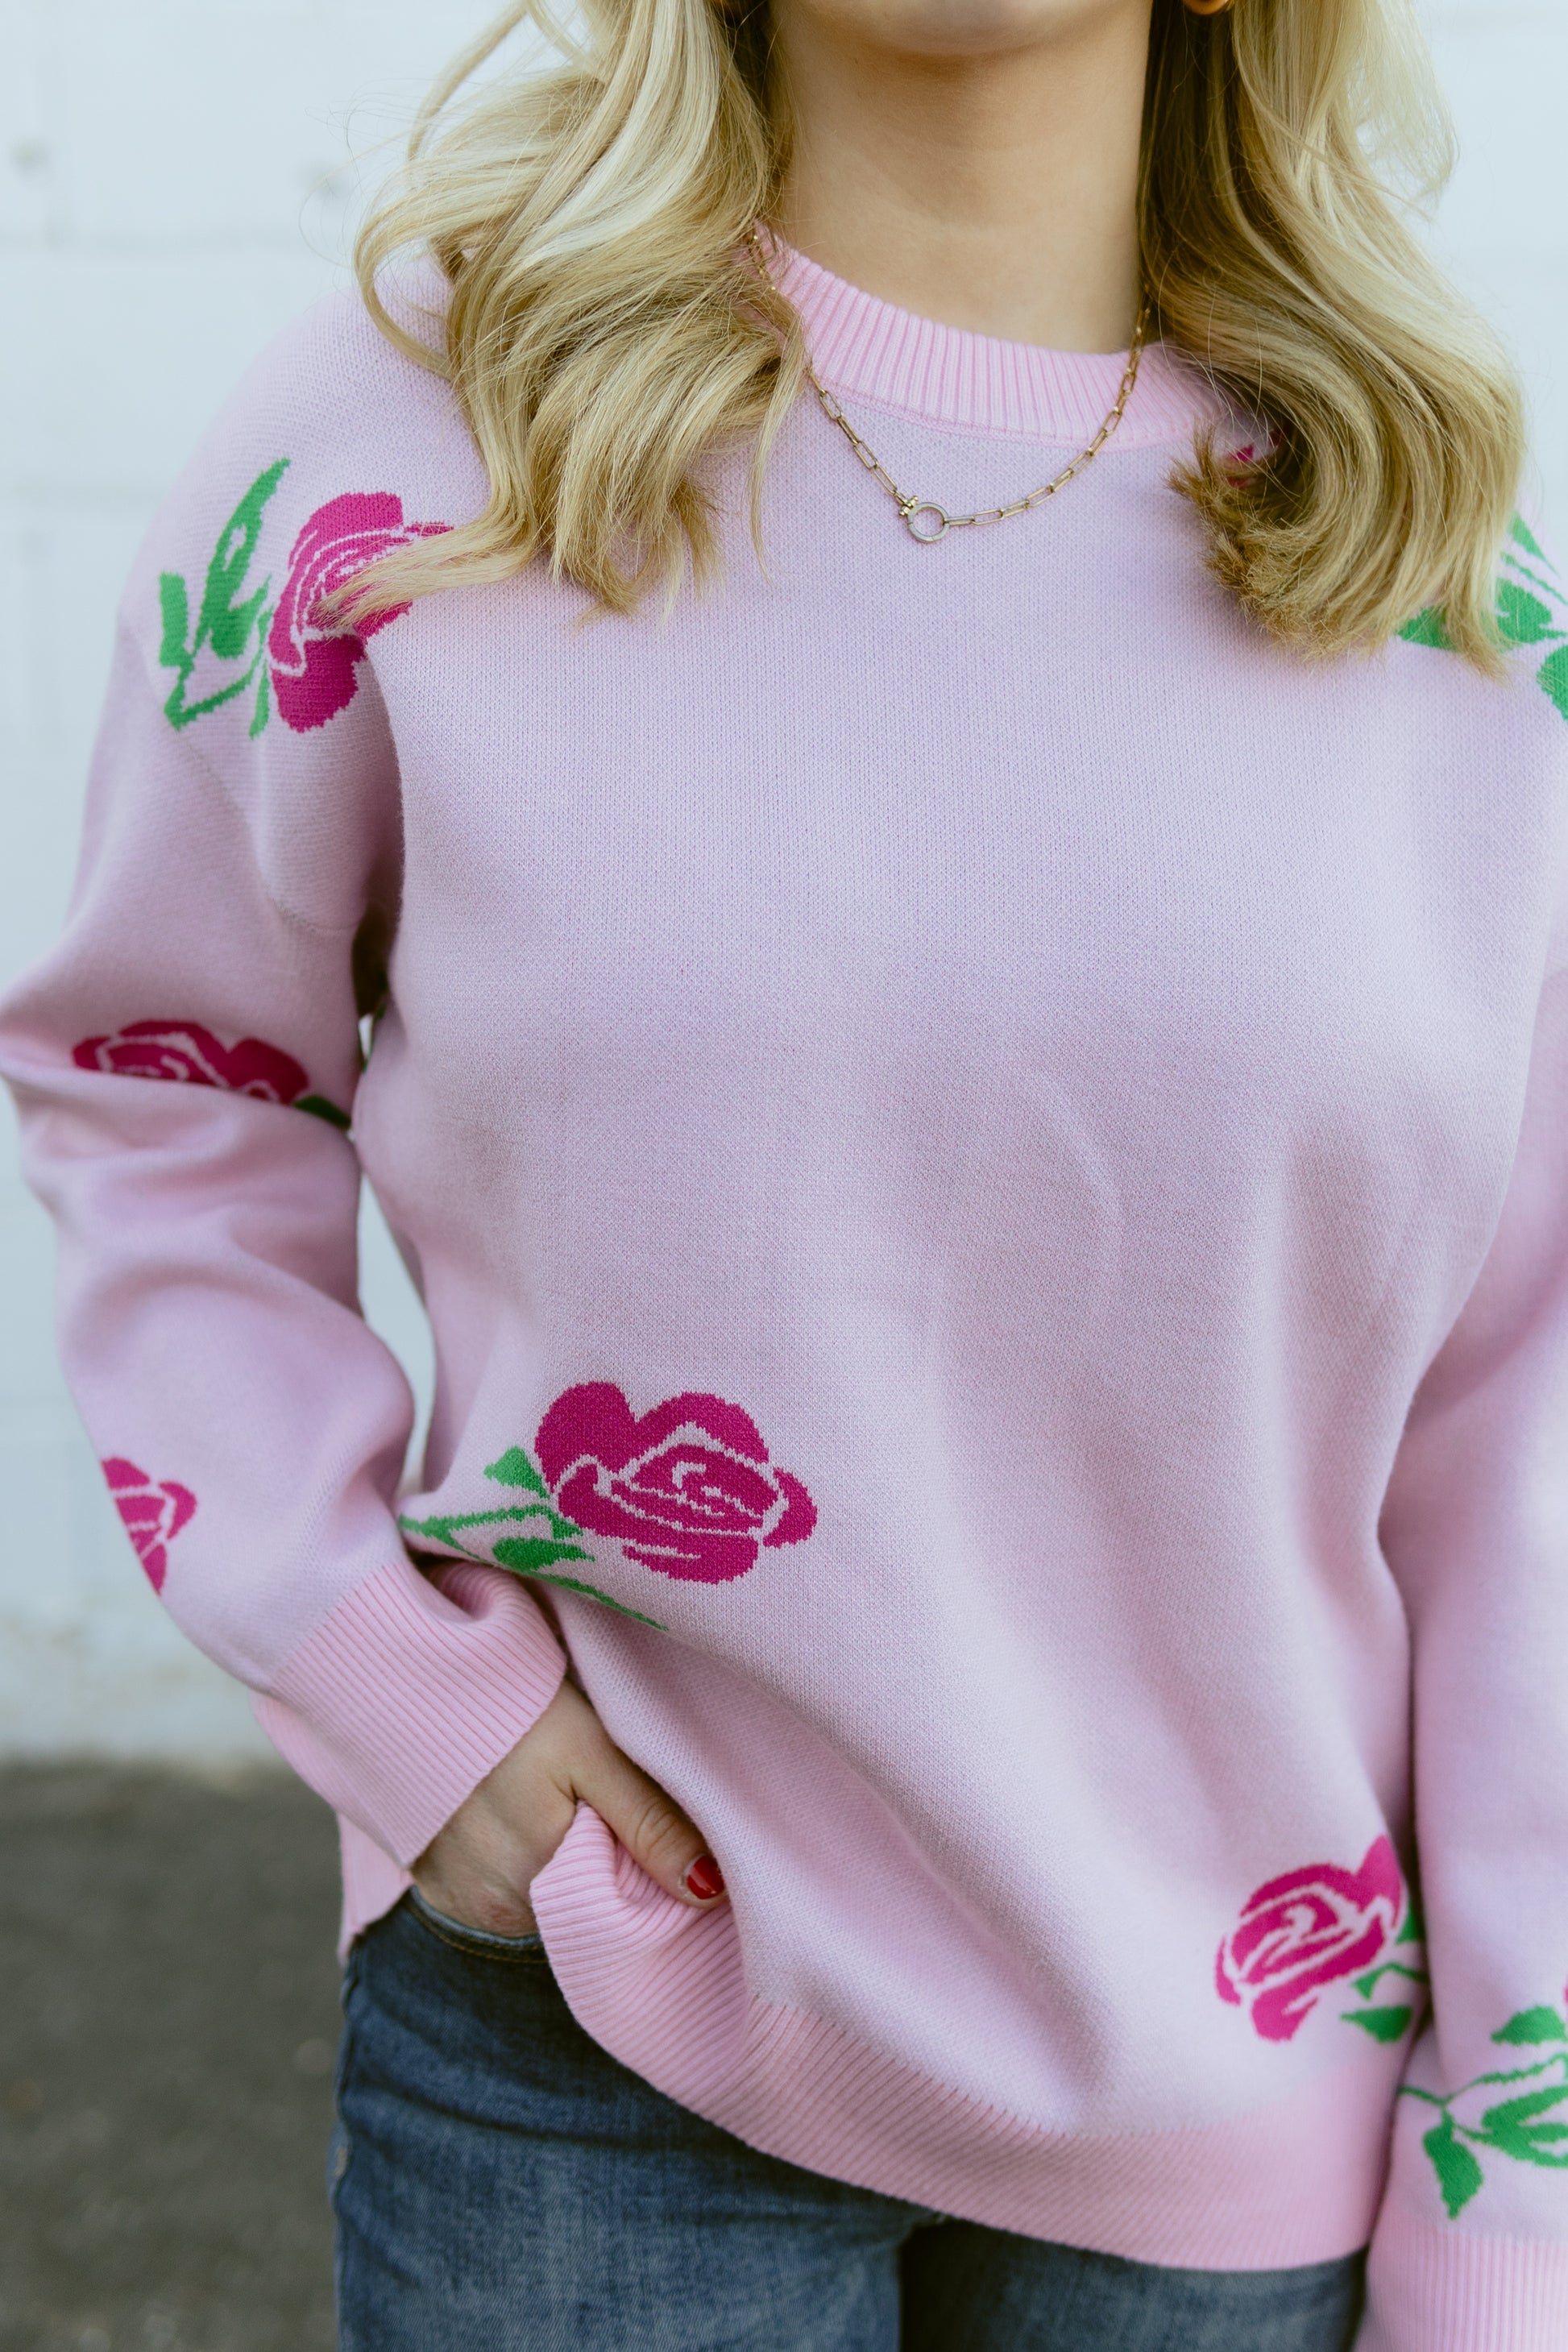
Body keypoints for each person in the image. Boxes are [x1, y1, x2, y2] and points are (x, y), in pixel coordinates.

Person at [3, 0, 1566, 2341]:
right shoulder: (413, 442)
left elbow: (1522, 1433)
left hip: (1246, 2107)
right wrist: (394, 1692)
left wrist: (1511, 2212)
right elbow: (167, 1084)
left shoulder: (1438, 577)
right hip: (599, 2031)